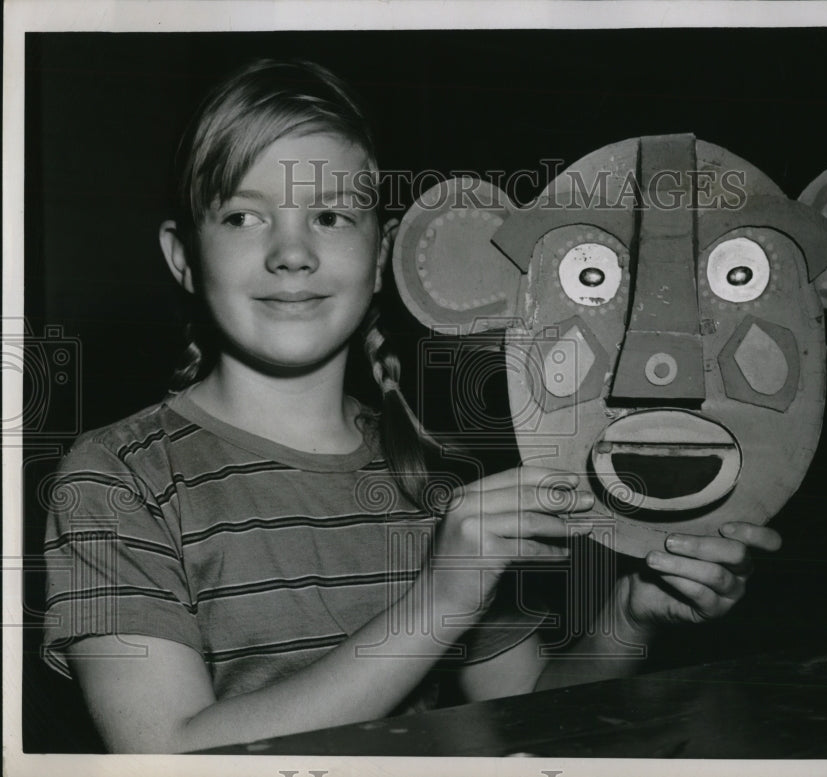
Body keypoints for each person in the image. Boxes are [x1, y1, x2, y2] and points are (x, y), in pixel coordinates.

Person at [41, 59, 781, 754]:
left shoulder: (434, 479)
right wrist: (439, 599)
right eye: (242, 216)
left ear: (381, 255)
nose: (291, 252)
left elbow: (530, 709)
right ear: (182, 256)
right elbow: (163, 753)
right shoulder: (116, 479)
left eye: (331, 216)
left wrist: (628, 616)